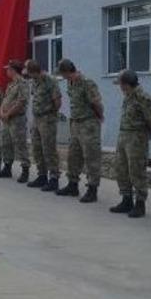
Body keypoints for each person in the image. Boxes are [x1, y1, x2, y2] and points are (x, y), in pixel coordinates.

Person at [109, 69, 151, 218]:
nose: (120, 87)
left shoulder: (142, 97)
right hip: (124, 135)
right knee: (121, 168)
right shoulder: (128, 96)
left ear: (126, 84)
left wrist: (146, 135)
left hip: (137, 137)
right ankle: (126, 199)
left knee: (136, 170)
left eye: (121, 84)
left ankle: (140, 203)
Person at [55, 59, 104, 202]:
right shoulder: (71, 83)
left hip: (89, 123)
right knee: (73, 155)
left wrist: (100, 116)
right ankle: (72, 184)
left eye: (62, 73)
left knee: (91, 156)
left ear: (67, 71)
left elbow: (96, 103)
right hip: (76, 123)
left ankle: (92, 189)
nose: (62, 77)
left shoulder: (86, 83)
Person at [26, 59, 62, 192]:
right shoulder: (35, 82)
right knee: (37, 147)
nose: (29, 77)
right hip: (37, 118)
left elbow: (57, 102)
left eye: (29, 74)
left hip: (47, 119)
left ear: (35, 71)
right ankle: (42, 175)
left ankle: (54, 178)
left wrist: (50, 114)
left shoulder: (50, 81)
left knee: (49, 149)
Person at [0, 60, 30, 182]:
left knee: (20, 144)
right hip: (6, 119)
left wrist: (9, 113)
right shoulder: (11, 84)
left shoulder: (22, 83)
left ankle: (25, 169)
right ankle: (7, 167)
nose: (6, 71)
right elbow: (5, 99)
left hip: (16, 119)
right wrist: (2, 111)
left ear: (13, 70)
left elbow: (22, 102)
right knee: (5, 143)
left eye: (8, 69)